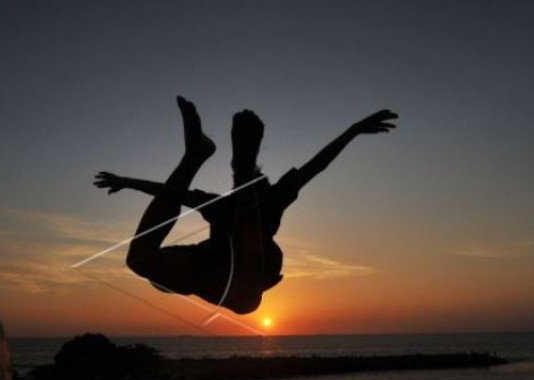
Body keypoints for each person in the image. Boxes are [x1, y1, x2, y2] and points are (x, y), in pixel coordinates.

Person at [95, 96, 397, 314]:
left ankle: (230, 165)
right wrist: (127, 182)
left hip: (246, 283)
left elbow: (317, 165)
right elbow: (170, 193)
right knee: (139, 261)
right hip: (211, 274)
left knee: (240, 229)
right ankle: (196, 155)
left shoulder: (270, 201)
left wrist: (353, 130)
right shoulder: (228, 205)